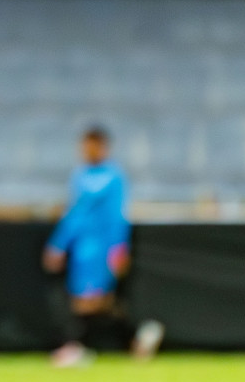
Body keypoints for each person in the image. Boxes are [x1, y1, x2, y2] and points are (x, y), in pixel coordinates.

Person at [41, 126, 158, 365]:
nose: (88, 151)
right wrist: (58, 244)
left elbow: (117, 216)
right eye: (85, 147)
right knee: (92, 303)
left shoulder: (114, 178)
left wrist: (118, 249)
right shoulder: (80, 176)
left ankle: (77, 347)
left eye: (93, 146)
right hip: (81, 249)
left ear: (103, 147)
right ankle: (138, 336)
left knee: (90, 302)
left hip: (101, 248)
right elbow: (73, 215)